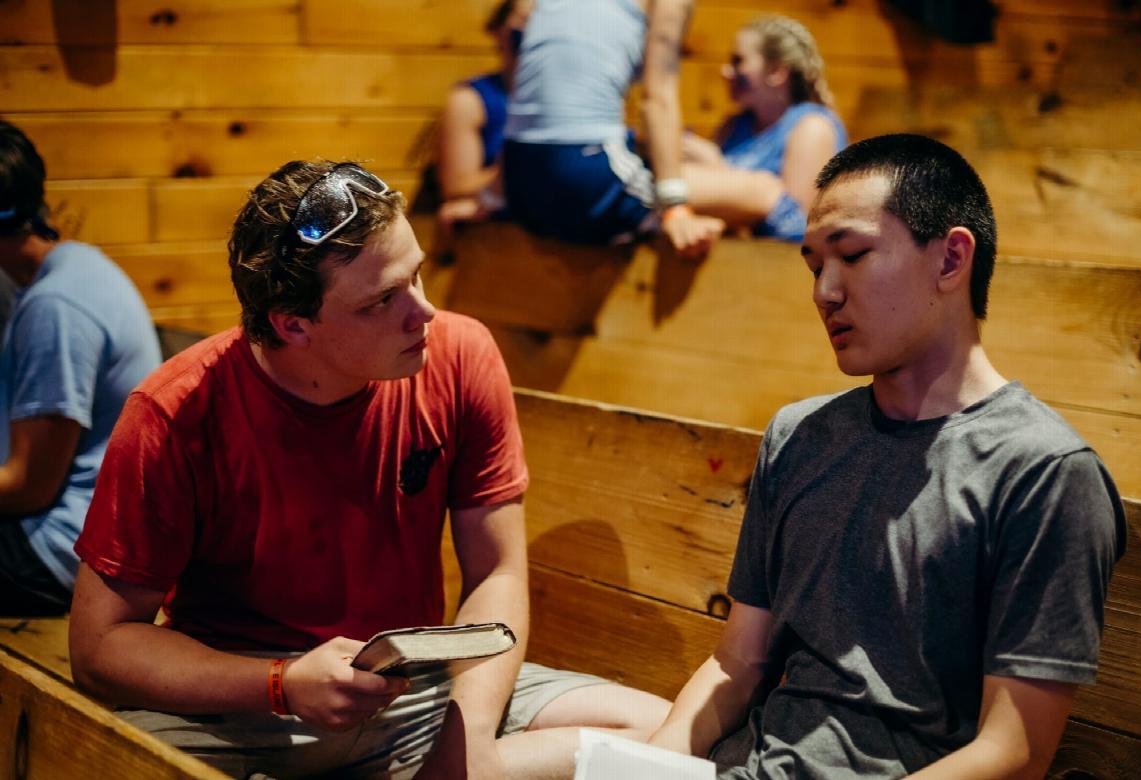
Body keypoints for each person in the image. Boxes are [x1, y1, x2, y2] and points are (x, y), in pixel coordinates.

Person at [69, 159, 668, 779]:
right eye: (383, 300)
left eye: (417, 275)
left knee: (667, 734)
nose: (423, 311)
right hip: (244, 701)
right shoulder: (174, 411)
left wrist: (467, 745)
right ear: (292, 324)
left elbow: (498, 571)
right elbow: (99, 647)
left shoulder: (460, 354)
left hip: (412, 686)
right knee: (91, 761)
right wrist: (281, 682)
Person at [648, 134, 1126, 778]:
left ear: (951, 259)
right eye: (814, 265)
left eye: (852, 255)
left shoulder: (1043, 472)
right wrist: (650, 764)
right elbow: (737, 663)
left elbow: (1014, 753)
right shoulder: (798, 435)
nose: (824, 291)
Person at [0, 119, 160, 616]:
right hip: (73, 531)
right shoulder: (76, 265)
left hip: (64, 548)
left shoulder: (56, 307)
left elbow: (31, 486)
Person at [502, 0, 726, 258]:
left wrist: (493, 192)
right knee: (757, 191)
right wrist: (675, 206)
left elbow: (535, 93)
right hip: (585, 176)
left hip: (518, 181)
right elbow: (657, 99)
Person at [681, 14, 846, 241]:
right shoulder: (734, 126)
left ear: (776, 72)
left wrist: (715, 165)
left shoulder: (812, 127)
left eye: (738, 61)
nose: (725, 71)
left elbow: (799, 226)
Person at [435, 0, 533, 234]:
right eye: (524, 21)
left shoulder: (570, 99)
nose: (532, 29)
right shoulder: (470, 100)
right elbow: (457, 186)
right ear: (497, 31)